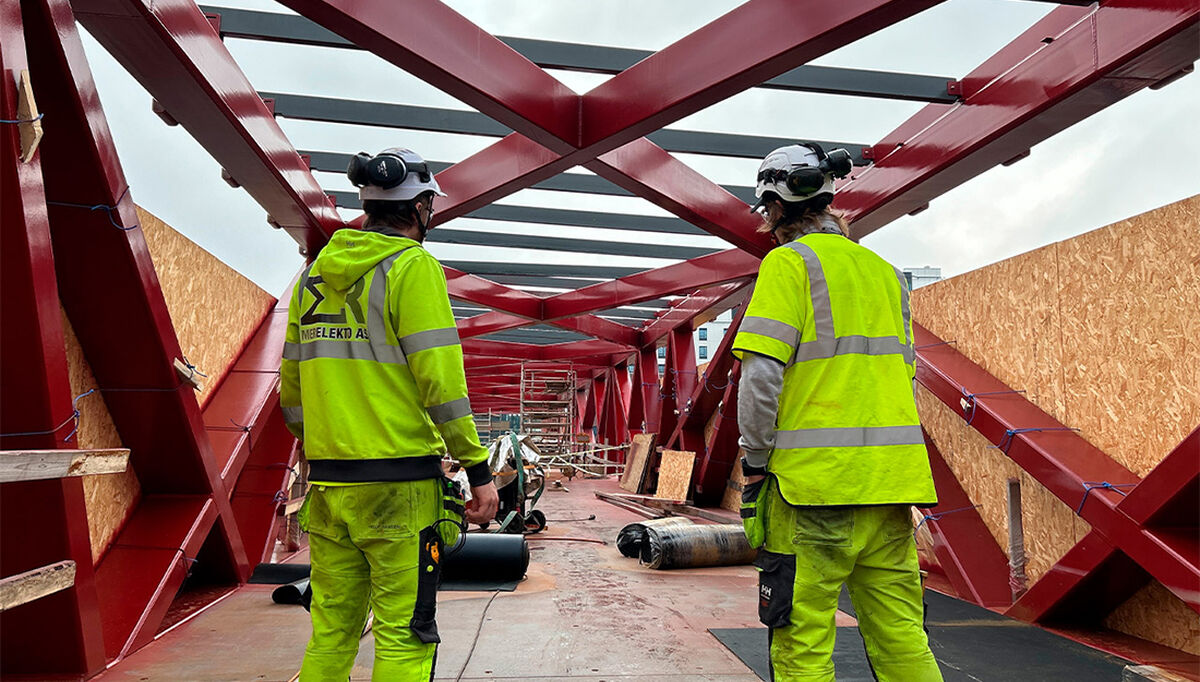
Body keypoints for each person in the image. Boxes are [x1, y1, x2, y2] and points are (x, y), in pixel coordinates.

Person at [280, 147, 499, 681]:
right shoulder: (411, 266)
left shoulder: (313, 279)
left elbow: (292, 390)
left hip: (330, 486)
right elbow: (440, 383)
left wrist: (324, 445)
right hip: (399, 487)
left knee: (332, 632)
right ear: (422, 207)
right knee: (405, 633)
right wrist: (479, 471)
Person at [733, 143, 942, 681]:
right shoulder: (888, 274)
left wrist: (755, 461)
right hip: (891, 486)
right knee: (902, 637)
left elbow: (760, 379)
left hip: (812, 492)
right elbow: (905, 372)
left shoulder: (789, 263)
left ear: (772, 207)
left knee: (803, 640)